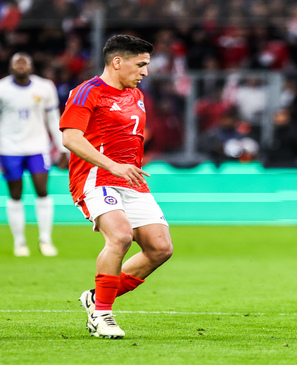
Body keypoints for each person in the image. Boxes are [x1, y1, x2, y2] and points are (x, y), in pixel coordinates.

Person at [59, 35, 173, 339]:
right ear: (117, 61)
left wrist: (126, 168)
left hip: (130, 180)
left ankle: (96, 298)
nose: (146, 72)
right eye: (141, 64)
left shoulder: (135, 94)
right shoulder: (87, 92)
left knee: (160, 249)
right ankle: (102, 315)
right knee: (120, 237)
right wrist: (112, 165)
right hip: (96, 176)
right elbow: (70, 138)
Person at [0, 52, 68, 257]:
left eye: (25, 62)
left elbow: (54, 118)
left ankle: (45, 240)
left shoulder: (45, 87)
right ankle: (20, 242)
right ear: (10, 67)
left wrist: (62, 147)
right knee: (15, 194)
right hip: (9, 148)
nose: (21, 66)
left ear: (31, 66)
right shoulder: (2, 88)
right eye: (17, 63)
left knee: (42, 191)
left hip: (38, 147)